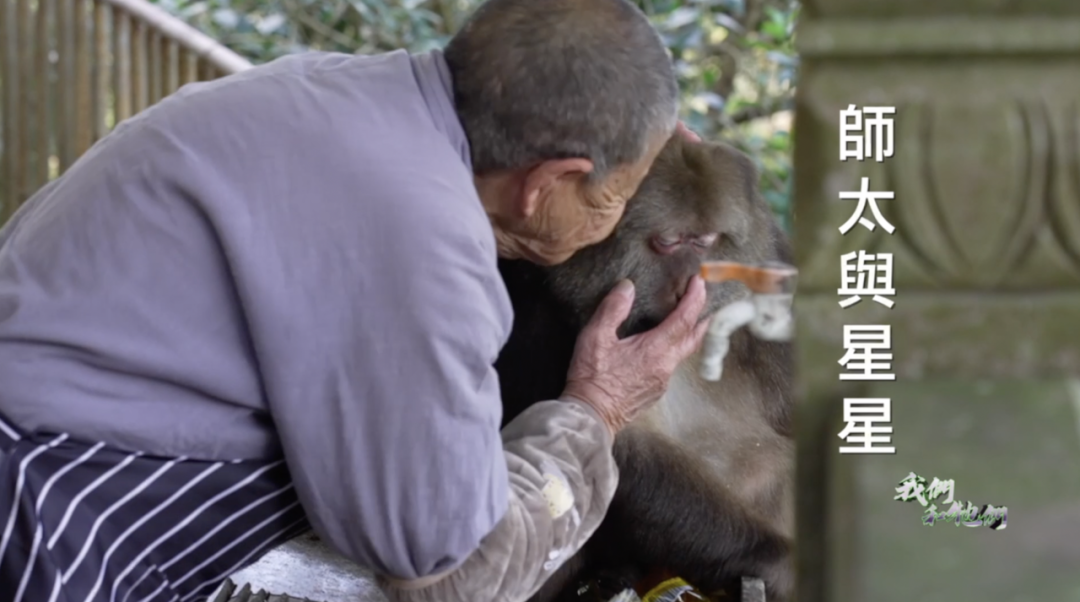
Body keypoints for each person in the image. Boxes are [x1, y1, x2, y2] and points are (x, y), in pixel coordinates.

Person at [0, 0, 710, 600]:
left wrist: (638, 151)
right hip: (44, 529)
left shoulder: (340, 96)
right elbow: (452, 569)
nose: (614, 218)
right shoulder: (417, 232)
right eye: (616, 194)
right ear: (545, 183)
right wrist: (596, 410)